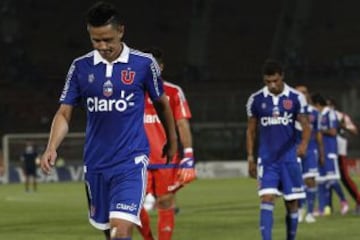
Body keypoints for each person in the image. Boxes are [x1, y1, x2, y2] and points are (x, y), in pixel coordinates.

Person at [39, 2, 178, 240]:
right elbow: (64, 112)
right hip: (96, 164)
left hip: (131, 161)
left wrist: (172, 139)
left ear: (121, 31)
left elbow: (162, 103)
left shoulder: (143, 64)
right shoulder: (80, 67)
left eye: (108, 40)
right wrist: (52, 146)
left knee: (121, 231)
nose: (103, 46)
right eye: (96, 41)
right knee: (108, 231)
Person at [246, 59, 310, 240]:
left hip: (289, 158)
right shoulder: (256, 99)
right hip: (267, 160)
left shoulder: (296, 97)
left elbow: (306, 125)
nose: (272, 85)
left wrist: (304, 144)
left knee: (292, 202)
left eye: (275, 80)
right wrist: (251, 157)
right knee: (266, 198)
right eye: (268, 81)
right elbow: (251, 130)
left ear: (282, 76)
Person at [137, 47, 195, 240]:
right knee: (133, 205)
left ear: (160, 67)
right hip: (137, 158)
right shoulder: (130, 92)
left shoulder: (173, 91)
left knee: (165, 202)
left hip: (166, 159)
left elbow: (182, 123)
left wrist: (188, 154)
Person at [311, 93, 349, 216]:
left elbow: (333, 131)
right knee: (321, 181)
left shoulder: (330, 113)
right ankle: (322, 209)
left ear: (317, 104)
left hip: (330, 151)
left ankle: (344, 201)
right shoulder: (319, 114)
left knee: (333, 180)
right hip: (321, 151)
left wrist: (318, 131)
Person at [295, 86, 325, 223]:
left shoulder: (314, 112)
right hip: (295, 150)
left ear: (308, 95)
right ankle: (300, 209)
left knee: (310, 180)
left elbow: (318, 132)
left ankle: (310, 212)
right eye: (299, 92)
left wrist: (321, 152)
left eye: (304, 92)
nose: (302, 94)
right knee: (298, 182)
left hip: (311, 149)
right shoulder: (291, 110)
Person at [327, 97, 360, 213]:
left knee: (344, 177)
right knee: (327, 178)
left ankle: (359, 202)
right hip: (327, 151)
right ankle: (328, 207)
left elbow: (355, 131)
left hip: (340, 151)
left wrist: (342, 126)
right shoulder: (322, 115)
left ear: (334, 106)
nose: (328, 107)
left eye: (329, 105)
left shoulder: (341, 116)